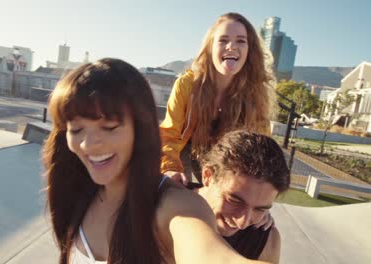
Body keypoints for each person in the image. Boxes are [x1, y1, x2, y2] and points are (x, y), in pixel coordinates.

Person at [42, 58, 270, 264]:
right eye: (77, 129)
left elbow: (211, 255)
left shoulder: (174, 205)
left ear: (141, 128)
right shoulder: (76, 190)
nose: (88, 144)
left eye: (109, 127)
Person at [160, 12, 276, 185]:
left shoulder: (257, 96)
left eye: (241, 41)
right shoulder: (187, 85)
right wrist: (170, 168)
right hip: (185, 149)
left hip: (224, 159)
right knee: (175, 188)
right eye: (223, 40)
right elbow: (170, 133)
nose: (231, 46)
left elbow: (258, 149)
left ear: (249, 51)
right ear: (210, 47)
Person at [194, 130, 290, 263]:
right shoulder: (164, 204)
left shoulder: (266, 241)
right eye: (234, 200)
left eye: (260, 209)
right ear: (208, 176)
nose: (242, 223)